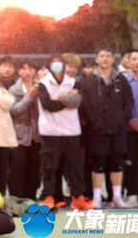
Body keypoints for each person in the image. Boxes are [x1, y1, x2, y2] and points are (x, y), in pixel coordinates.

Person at [81, 47, 135, 209]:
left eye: (108, 56)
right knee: (98, 163)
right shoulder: (89, 81)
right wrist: (94, 121)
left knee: (117, 163)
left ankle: (117, 197)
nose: (105, 59)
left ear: (113, 60)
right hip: (98, 130)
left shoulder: (121, 80)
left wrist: (122, 118)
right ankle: (97, 197)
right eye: (102, 56)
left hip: (118, 129)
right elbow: (85, 105)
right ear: (97, 59)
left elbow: (129, 102)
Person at [38, 55, 93, 210]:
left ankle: (79, 198)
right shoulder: (43, 84)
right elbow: (48, 105)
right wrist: (66, 100)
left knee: (76, 167)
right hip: (50, 132)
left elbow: (76, 102)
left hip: (72, 131)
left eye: (59, 64)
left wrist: (59, 98)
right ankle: (49, 198)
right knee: (50, 168)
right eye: (54, 64)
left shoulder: (74, 82)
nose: (57, 67)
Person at [8, 59, 41, 200]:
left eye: (31, 69)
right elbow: (14, 111)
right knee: (17, 172)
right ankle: (16, 200)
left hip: (38, 136)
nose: (27, 72)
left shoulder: (41, 88)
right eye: (24, 69)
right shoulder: (13, 90)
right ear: (19, 71)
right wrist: (29, 97)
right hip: (19, 137)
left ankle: (31, 200)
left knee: (34, 172)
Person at [124, 50, 138, 206]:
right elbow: (119, 104)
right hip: (128, 128)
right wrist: (131, 120)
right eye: (134, 59)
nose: (137, 62)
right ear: (128, 62)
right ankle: (132, 193)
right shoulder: (123, 81)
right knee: (131, 162)